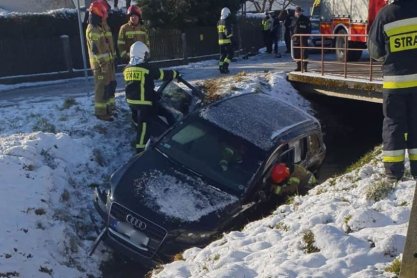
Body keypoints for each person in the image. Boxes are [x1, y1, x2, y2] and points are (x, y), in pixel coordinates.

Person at [368, 0, 417, 182]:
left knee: (394, 125)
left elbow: (374, 51)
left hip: (395, 84)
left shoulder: (385, 15)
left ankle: (393, 173)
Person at [124, 41, 180, 153]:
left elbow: (137, 85)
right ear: (141, 54)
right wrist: (175, 73)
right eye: (145, 54)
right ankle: (140, 151)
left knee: (162, 114)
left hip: (132, 102)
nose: (146, 57)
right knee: (144, 127)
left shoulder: (127, 68)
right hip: (144, 104)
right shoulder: (146, 68)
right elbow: (162, 74)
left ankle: (171, 132)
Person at [86, 0, 115, 121]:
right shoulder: (93, 30)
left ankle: (109, 109)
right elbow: (97, 51)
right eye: (105, 13)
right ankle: (101, 113)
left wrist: (113, 60)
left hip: (108, 64)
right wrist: (104, 66)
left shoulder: (101, 27)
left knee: (109, 87)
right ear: (99, 14)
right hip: (101, 67)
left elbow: (108, 45)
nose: (107, 15)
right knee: (101, 89)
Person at [290, 6, 311, 71]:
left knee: (304, 53)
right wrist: (291, 36)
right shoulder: (293, 19)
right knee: (296, 53)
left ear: (301, 12)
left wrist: (307, 36)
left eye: (299, 12)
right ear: (295, 12)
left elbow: (309, 28)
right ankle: (299, 66)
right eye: (297, 12)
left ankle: (305, 67)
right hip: (296, 39)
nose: (298, 13)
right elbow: (291, 28)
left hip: (303, 39)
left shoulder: (305, 19)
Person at [217, 7, 234, 74]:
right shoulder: (226, 22)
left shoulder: (219, 22)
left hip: (220, 41)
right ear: (226, 14)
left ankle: (220, 67)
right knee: (230, 54)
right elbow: (227, 33)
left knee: (222, 55)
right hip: (227, 41)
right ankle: (225, 66)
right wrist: (233, 40)